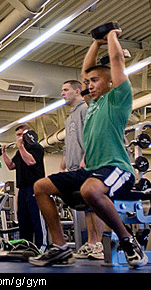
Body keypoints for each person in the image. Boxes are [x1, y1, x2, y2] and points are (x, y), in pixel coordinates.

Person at [29, 28, 148, 268]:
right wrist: (95, 43)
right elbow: (85, 72)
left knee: (90, 191)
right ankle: (61, 248)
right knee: (41, 187)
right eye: (88, 83)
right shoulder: (91, 103)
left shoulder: (118, 99)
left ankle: (128, 242)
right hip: (93, 170)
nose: (90, 85)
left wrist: (112, 36)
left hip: (117, 169)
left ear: (110, 82)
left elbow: (116, 61)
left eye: (95, 81)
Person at [60, 79, 105, 260]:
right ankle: (91, 243)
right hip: (73, 167)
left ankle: (99, 244)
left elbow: (91, 136)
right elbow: (68, 144)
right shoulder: (70, 116)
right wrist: (63, 165)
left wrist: (86, 158)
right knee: (85, 206)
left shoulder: (85, 110)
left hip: (86, 164)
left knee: (94, 206)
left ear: (77, 91)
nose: (62, 93)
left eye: (65, 90)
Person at [1, 124, 48, 252]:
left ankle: (42, 247)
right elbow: (11, 166)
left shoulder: (36, 148)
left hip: (35, 188)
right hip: (22, 189)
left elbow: (30, 161)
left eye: (21, 134)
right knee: (23, 219)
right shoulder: (19, 151)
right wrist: (4, 153)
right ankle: (26, 247)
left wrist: (21, 146)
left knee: (37, 219)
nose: (19, 137)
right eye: (18, 135)